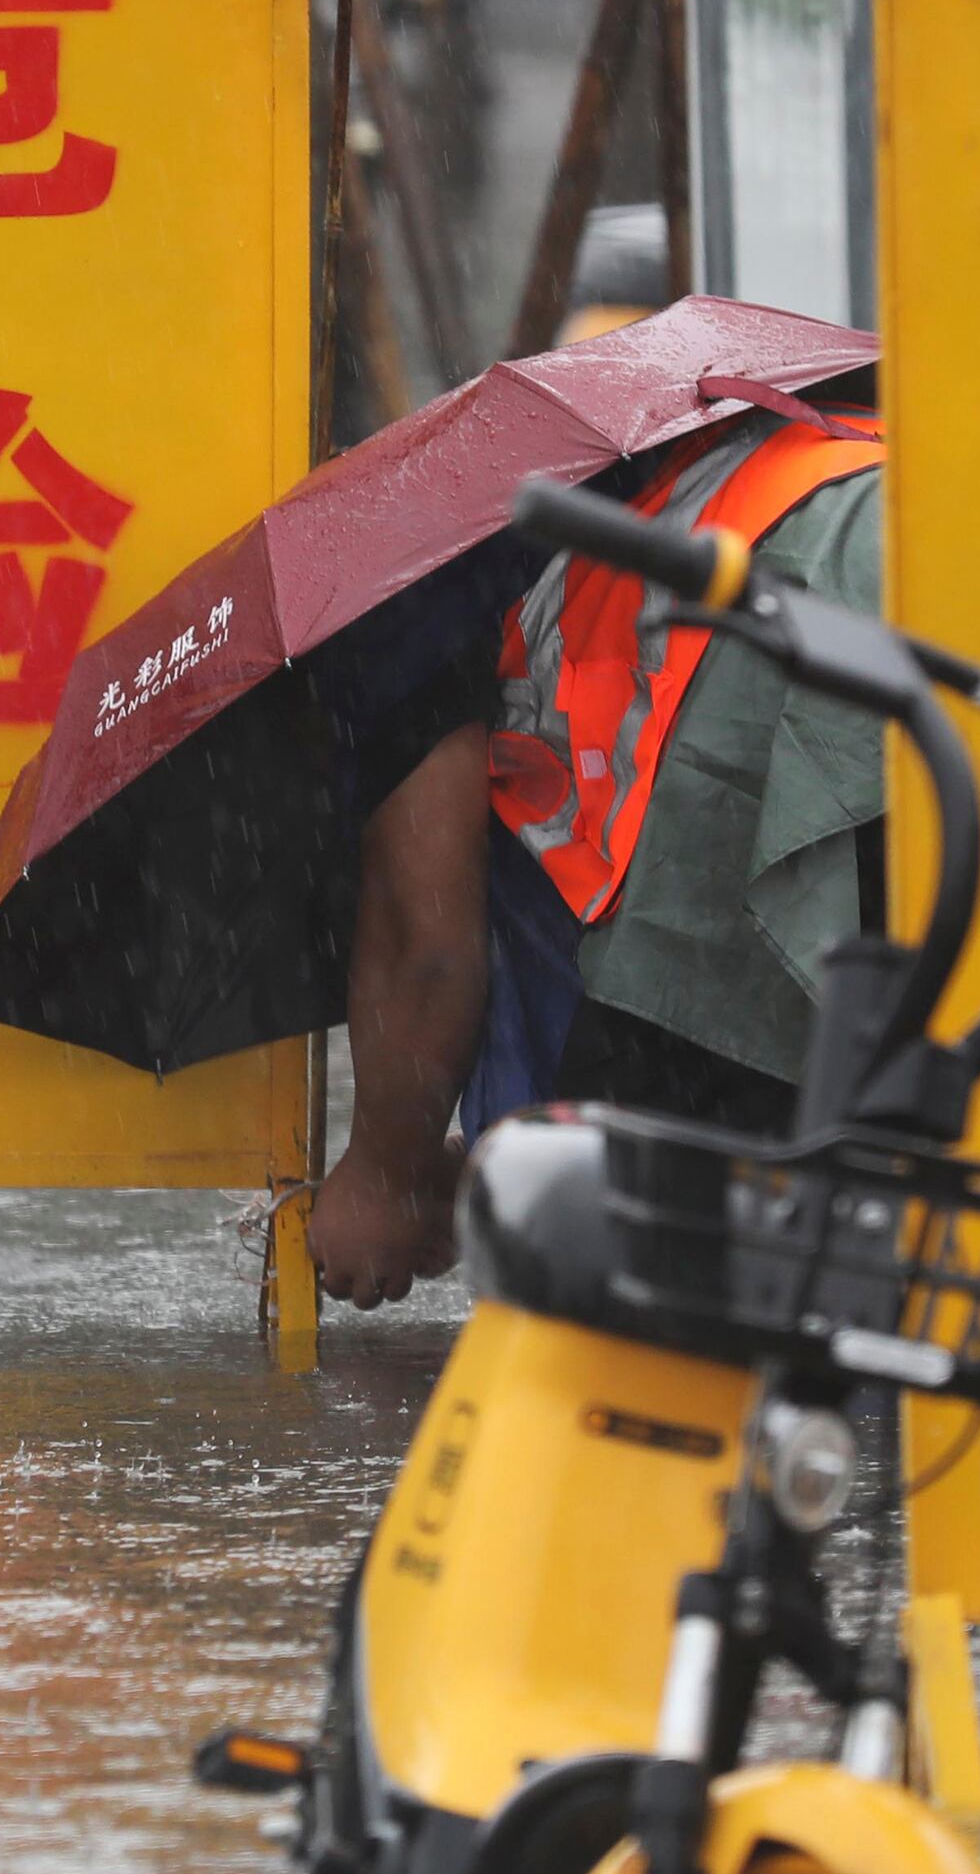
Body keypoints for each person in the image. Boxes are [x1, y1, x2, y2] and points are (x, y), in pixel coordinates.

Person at [306, 396, 885, 1306]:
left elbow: (429, 947)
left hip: (771, 652)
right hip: (901, 538)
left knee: (634, 1258)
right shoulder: (568, 469)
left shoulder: (383, 598)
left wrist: (383, 1174)